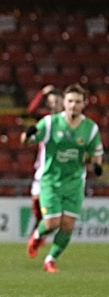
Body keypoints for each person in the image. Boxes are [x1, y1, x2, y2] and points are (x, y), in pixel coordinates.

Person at [24, 84, 103, 273]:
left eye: (77, 102)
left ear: (84, 104)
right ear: (64, 103)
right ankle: (37, 235)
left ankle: (50, 259)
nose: (73, 105)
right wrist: (27, 136)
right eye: (70, 101)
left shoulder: (90, 128)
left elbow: (96, 151)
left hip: (75, 182)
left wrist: (97, 164)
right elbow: (27, 139)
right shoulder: (50, 123)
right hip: (51, 180)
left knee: (67, 225)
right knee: (51, 223)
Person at [26, 85, 64, 234]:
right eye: (51, 101)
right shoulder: (46, 118)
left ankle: (44, 227)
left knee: (51, 199)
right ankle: (40, 224)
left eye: (57, 101)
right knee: (35, 199)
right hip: (43, 164)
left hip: (60, 166)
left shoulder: (69, 120)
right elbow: (31, 111)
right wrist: (41, 93)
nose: (54, 104)